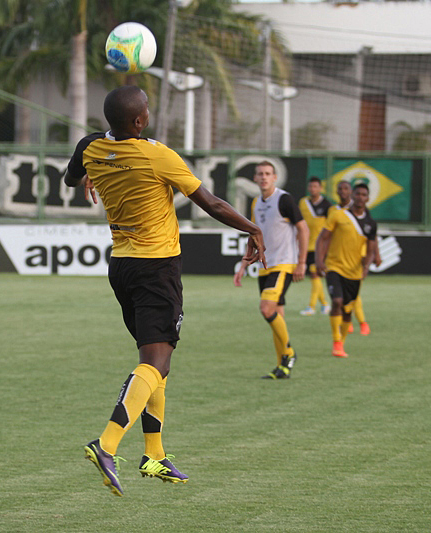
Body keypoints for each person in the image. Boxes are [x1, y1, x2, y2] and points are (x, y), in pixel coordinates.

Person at [64, 85, 265, 497]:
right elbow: (209, 202)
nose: (149, 113)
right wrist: (253, 227)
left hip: (121, 265)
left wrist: (92, 173)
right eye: (147, 110)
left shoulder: (89, 147)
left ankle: (153, 454)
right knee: (154, 362)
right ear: (139, 121)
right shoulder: (159, 155)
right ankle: (106, 444)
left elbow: (71, 177)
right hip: (156, 268)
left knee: (159, 361)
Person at [233, 161, 308, 379]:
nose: (264, 177)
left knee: (266, 309)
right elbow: (254, 236)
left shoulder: (284, 199)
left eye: (268, 174)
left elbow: (303, 228)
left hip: (283, 264)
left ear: (274, 177)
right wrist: (243, 265)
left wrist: (302, 262)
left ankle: (289, 353)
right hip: (265, 267)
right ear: (255, 178)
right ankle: (282, 367)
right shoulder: (256, 203)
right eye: (260, 174)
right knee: (278, 316)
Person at [316, 182, 377, 358]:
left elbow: (371, 247)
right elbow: (323, 238)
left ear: (368, 198)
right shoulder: (338, 215)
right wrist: (320, 260)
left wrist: (366, 265)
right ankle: (336, 341)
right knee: (336, 302)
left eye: (364, 195)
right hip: (334, 267)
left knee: (348, 311)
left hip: (354, 272)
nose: (360, 197)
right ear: (353, 195)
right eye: (357, 194)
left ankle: (341, 344)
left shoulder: (370, 223)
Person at [330, 180, 374, 335]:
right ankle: (348, 323)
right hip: (337, 258)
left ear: (350, 192)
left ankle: (362, 322)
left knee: (353, 295)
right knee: (338, 298)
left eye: (346, 188)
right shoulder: (334, 211)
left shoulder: (363, 212)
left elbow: (371, 237)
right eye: (340, 188)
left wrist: (374, 256)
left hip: (357, 257)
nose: (343, 191)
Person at [298, 176, 331, 316]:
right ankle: (324, 304)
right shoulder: (303, 203)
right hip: (306, 245)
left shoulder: (327, 206)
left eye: (315, 186)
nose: (313, 189)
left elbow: (331, 227)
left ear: (321, 188)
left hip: (320, 247)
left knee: (314, 274)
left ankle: (311, 307)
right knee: (314, 276)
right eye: (311, 186)